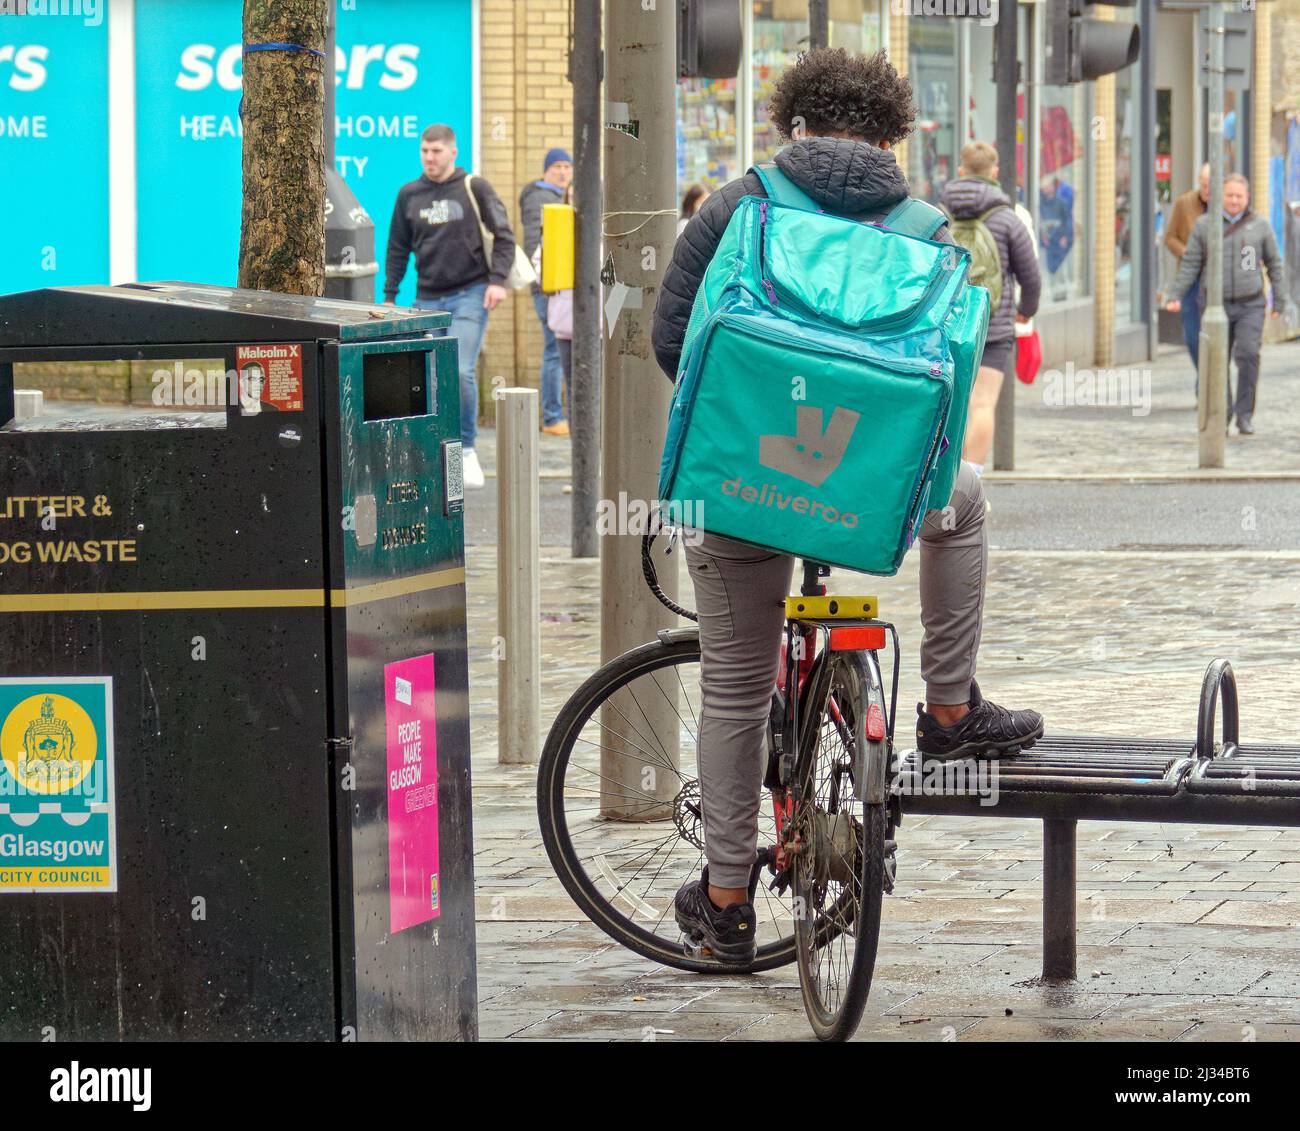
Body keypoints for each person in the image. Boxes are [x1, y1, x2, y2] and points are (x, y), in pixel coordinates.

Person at [651, 48, 1044, 962]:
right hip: (872, 486)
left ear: (795, 123)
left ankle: (727, 901)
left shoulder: (734, 205)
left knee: (737, 690)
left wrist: (746, 435)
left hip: (743, 483)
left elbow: (677, 339)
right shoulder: (924, 224)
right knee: (968, 503)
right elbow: (946, 376)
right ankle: (949, 713)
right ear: (890, 135)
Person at [384, 123, 518, 488]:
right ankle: (428, 451)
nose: (430, 157)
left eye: (437, 151)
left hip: (470, 294)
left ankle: (467, 450)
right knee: (424, 376)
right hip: (426, 298)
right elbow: (397, 248)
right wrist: (390, 295)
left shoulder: (474, 188)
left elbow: (505, 236)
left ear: (452, 152)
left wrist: (497, 281)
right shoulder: (408, 194)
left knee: (460, 370)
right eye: (425, 151)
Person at [939, 141, 1040, 474]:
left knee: (951, 406)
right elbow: (1031, 275)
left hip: (947, 325)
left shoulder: (939, 216)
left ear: (960, 171)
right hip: (993, 326)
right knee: (982, 404)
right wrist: (1025, 310)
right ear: (994, 173)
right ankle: (971, 486)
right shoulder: (1007, 219)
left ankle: (944, 484)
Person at [1165, 173, 1287, 436]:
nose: (1234, 200)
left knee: (1247, 355)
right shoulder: (1204, 226)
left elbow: (1275, 265)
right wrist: (1175, 294)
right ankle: (1224, 411)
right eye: (1229, 195)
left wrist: (1279, 299)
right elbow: (1191, 264)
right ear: (1221, 197)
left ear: (1247, 198)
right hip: (1214, 305)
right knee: (1216, 360)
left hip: (1249, 304)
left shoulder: (1259, 227)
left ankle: (1244, 414)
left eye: (1238, 196)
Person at [520, 148, 573, 436]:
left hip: (560, 290)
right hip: (549, 289)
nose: (563, 172)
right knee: (554, 349)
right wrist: (545, 283)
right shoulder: (540, 199)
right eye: (557, 166)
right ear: (546, 171)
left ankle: (557, 414)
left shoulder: (557, 198)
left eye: (567, 166)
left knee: (556, 349)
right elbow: (533, 245)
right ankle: (553, 416)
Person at [1163, 164, 1210, 373]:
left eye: (1212, 185)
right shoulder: (1185, 203)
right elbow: (1170, 238)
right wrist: (1187, 253)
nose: (1208, 189)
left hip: (1217, 282)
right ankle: (1205, 376)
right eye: (1204, 185)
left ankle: (1210, 385)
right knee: (1192, 336)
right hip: (1191, 280)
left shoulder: (1227, 207)